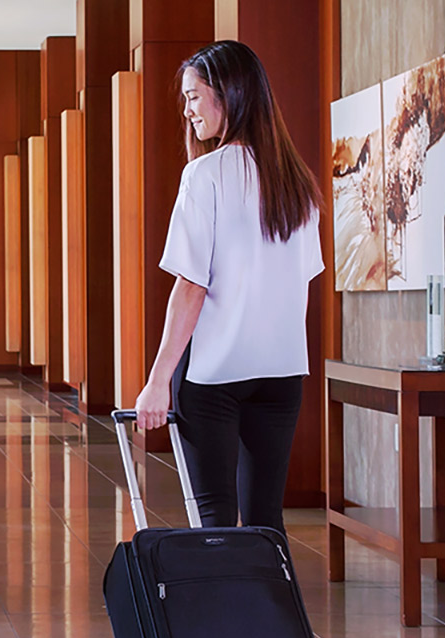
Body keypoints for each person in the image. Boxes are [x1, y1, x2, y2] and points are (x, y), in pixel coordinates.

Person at [133, 40, 324, 532]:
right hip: (281, 374)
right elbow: (298, 280)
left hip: (214, 374)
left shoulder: (204, 176)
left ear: (228, 95)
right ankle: (273, 611)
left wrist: (157, 382)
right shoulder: (299, 184)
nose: (187, 109)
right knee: (265, 519)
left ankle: (220, 611)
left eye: (194, 96)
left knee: (214, 519)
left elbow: (191, 287)